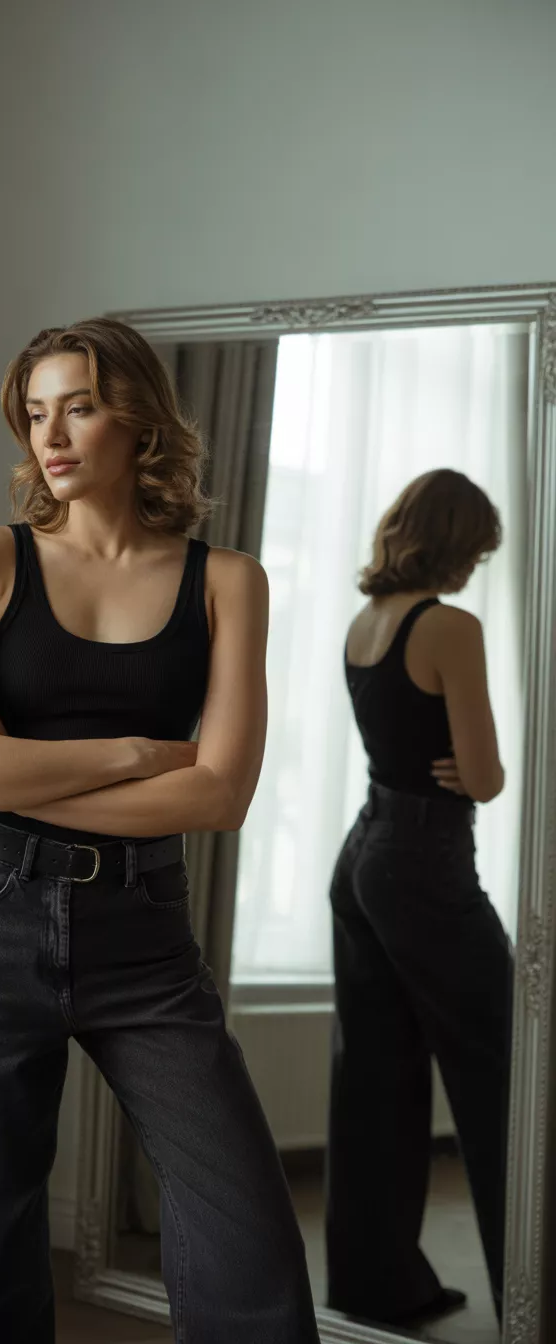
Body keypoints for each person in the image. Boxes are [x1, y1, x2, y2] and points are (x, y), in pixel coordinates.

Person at [0, 317, 319, 1344]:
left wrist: (12, 761)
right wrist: (130, 755)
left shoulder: (227, 584)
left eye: (80, 406)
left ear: (137, 420)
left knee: (248, 1238)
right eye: (37, 412)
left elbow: (218, 797)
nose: (52, 434)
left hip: (144, 927)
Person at [325, 468, 514, 1331]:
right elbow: (481, 778)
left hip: (363, 853)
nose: (477, 565)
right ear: (453, 541)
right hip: (422, 861)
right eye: (476, 548)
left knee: (373, 1079)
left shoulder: (365, 623)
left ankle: (378, 1285)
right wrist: (482, 771)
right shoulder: (450, 627)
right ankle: (536, 1289)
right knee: (510, 1072)